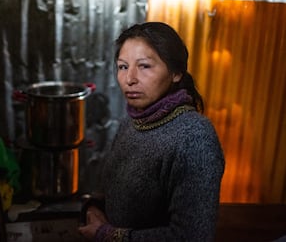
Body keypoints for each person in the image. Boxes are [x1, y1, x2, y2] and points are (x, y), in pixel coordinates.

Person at [78, 22, 225, 241]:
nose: (130, 79)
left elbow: (192, 236)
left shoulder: (194, 136)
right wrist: (93, 207)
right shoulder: (131, 122)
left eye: (144, 66)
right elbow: (109, 188)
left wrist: (108, 235)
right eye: (123, 66)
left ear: (176, 73)